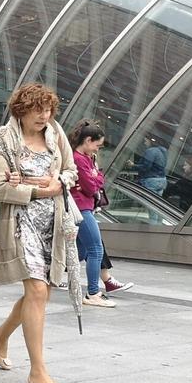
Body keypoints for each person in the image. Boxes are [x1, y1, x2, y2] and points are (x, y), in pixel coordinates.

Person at [0, 83, 77, 383]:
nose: (44, 116)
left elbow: (71, 170)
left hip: (53, 223)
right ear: (21, 110)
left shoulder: (55, 133)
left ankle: (0, 335)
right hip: (21, 224)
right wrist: (37, 190)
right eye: (37, 110)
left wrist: (58, 181)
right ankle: (38, 370)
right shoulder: (3, 138)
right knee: (37, 291)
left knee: (41, 293)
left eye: (48, 110)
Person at [68, 119, 117, 309]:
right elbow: (91, 187)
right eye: (97, 145)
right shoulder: (79, 159)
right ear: (88, 140)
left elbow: (97, 181)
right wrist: (95, 178)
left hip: (83, 207)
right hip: (81, 209)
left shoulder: (86, 158)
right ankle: (93, 292)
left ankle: (47, 275)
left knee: (81, 251)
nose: (98, 149)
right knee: (96, 249)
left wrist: (95, 178)